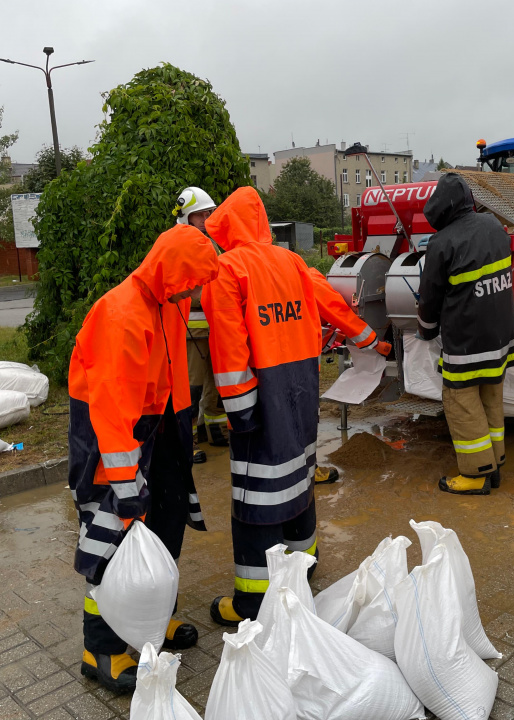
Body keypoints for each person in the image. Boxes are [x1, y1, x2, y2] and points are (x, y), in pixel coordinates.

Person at [68, 224, 219, 692]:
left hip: (160, 426)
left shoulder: (168, 301)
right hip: (111, 437)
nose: (195, 293)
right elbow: (112, 409)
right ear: (172, 274)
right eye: (192, 283)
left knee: (165, 525)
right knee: (112, 545)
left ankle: (155, 621)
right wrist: (125, 485)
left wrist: (178, 435)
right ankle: (102, 650)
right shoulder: (122, 314)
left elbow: (170, 373)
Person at [201, 187, 322, 626]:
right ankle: (303, 571)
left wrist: (240, 411)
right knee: (299, 480)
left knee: (258, 498)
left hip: (261, 394)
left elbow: (230, 349)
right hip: (302, 387)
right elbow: (310, 321)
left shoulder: (227, 269)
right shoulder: (291, 261)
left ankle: (253, 602)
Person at [416, 173, 514, 495]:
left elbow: (430, 295)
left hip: (467, 340)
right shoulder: (494, 227)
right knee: (491, 396)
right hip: (501, 336)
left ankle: (476, 474)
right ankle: (495, 463)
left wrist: (426, 330)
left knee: (461, 402)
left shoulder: (442, 242)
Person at [308, 266, 392, 484]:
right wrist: (376, 344)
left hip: (266, 357)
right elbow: (340, 314)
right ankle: (307, 471)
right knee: (302, 414)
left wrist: (332, 341)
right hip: (295, 359)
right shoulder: (309, 279)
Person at [173, 187, 229, 461]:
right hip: (190, 331)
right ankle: (187, 439)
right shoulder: (180, 244)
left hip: (213, 328)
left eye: (208, 213)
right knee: (191, 387)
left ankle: (215, 431)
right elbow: (184, 289)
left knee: (215, 382)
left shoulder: (208, 242)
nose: (207, 219)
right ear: (187, 216)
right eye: (201, 215)